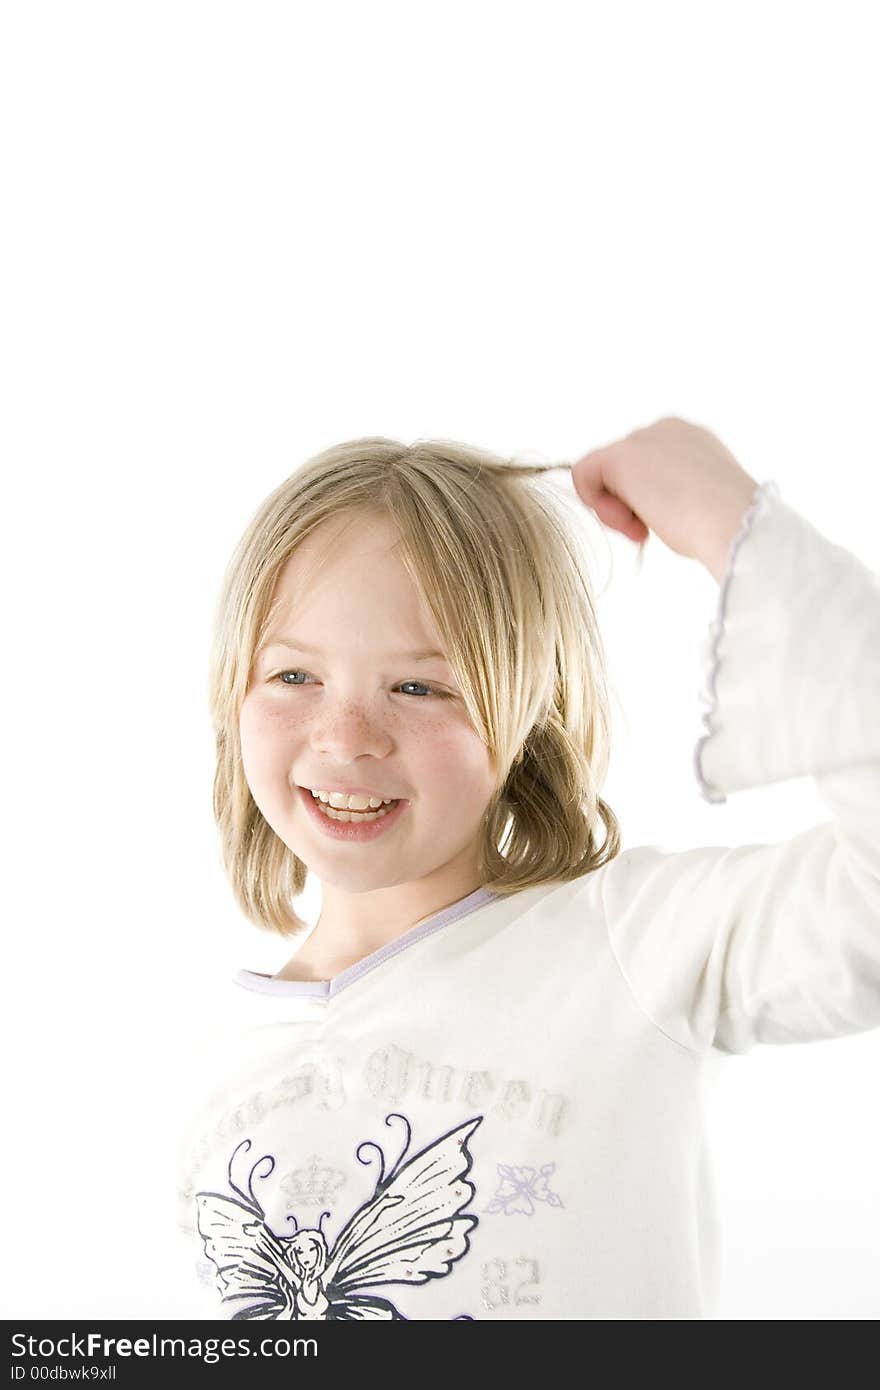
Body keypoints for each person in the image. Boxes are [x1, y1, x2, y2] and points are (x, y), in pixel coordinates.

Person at [174, 416, 879, 1320]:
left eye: (421, 687)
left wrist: (727, 521)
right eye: (293, 677)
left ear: (528, 714)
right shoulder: (207, 1066)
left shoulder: (631, 945)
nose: (346, 738)